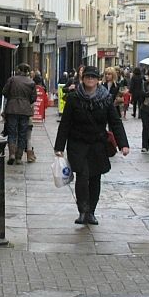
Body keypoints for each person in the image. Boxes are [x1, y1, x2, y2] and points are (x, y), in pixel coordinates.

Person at [54, 65, 130, 225]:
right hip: (78, 143)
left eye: (93, 77)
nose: (90, 79)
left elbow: (115, 122)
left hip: (97, 144)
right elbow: (65, 124)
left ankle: (91, 212)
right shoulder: (74, 98)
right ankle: (83, 210)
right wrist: (59, 147)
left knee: (95, 177)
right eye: (87, 77)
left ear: (98, 80)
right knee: (82, 176)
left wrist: (123, 144)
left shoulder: (106, 99)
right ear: (83, 79)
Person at [2, 63, 36, 165]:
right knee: (22, 134)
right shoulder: (31, 82)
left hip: (12, 109)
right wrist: (26, 101)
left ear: (18, 70)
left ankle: (12, 154)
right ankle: (18, 157)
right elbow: (33, 98)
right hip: (25, 111)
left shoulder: (12, 79)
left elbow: (4, 92)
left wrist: (12, 98)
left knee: (12, 132)